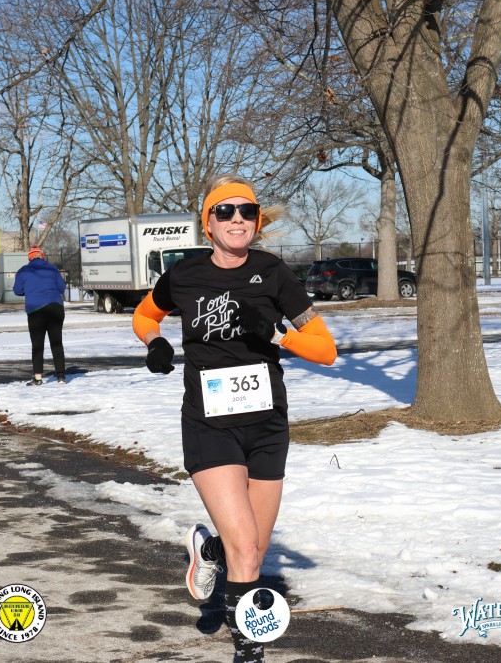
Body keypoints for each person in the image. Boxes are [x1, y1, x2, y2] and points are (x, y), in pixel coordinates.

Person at [132, 175, 337, 663]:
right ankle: (249, 652)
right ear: (208, 223)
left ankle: (210, 552)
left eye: (247, 211)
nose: (237, 219)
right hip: (209, 424)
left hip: (266, 426)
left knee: (253, 550)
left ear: (257, 221)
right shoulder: (184, 275)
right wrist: (155, 343)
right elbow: (145, 315)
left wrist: (279, 335)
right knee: (245, 547)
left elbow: (326, 350)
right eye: (225, 211)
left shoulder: (274, 273)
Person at [13, 246, 67, 385]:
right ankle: (61, 377)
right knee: (57, 342)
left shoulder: (23, 271)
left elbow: (17, 290)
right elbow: (62, 288)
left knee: (37, 345)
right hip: (55, 307)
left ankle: (37, 378)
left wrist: (29, 290)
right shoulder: (52, 269)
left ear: (30, 258)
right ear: (42, 256)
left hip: (35, 310)